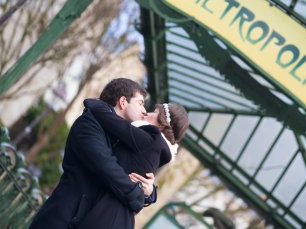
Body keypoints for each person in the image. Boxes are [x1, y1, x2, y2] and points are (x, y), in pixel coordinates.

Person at [29, 78, 157, 229]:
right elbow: (105, 165)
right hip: (62, 219)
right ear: (123, 102)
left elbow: (131, 168)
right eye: (140, 103)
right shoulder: (88, 124)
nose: (144, 111)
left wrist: (149, 192)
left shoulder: (117, 137)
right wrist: (136, 196)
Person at [77, 98, 189, 229]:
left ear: (161, 125)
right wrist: (151, 194)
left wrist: (95, 102)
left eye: (154, 113)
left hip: (106, 214)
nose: (147, 113)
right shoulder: (158, 149)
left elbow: (110, 120)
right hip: (118, 217)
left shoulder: (152, 138)